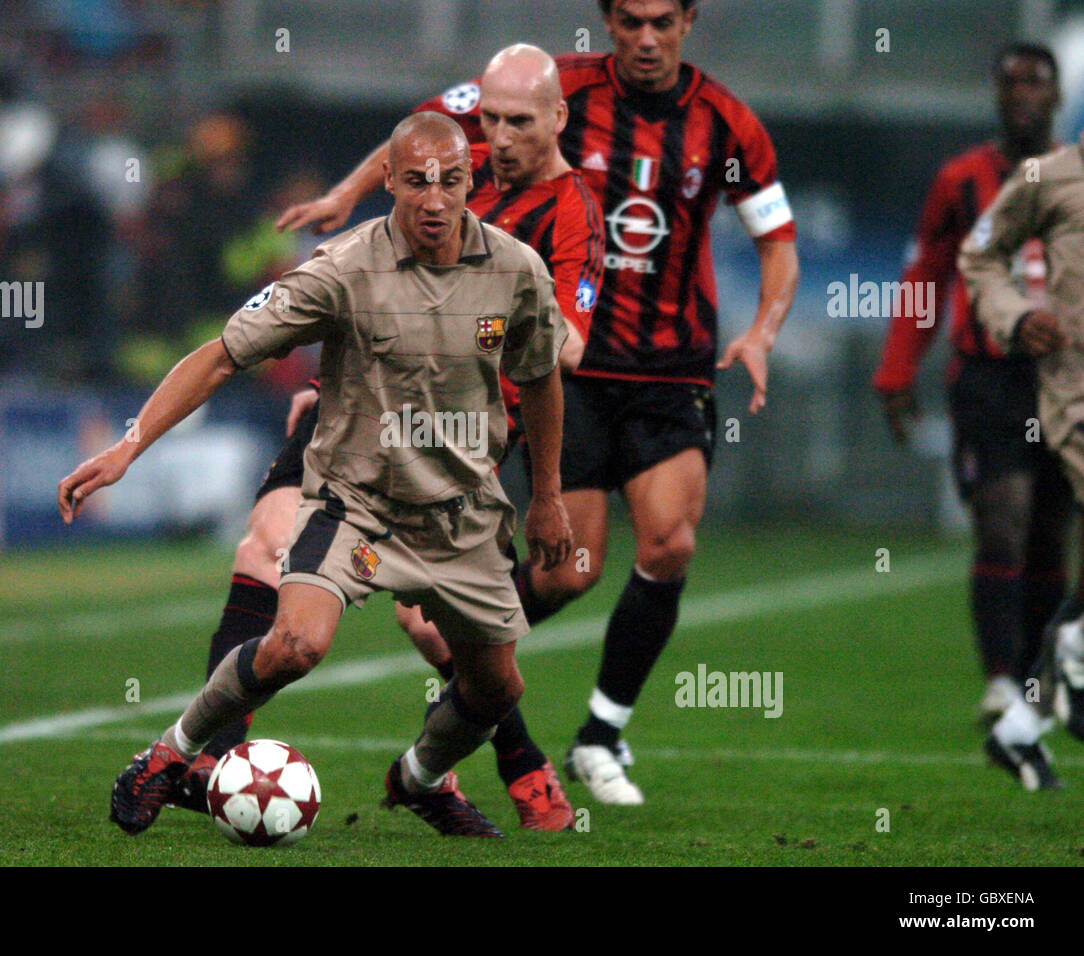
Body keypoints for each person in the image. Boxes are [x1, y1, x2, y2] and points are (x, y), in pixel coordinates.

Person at [278, 0, 800, 805]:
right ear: (609, 21)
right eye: (630, 20)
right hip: (568, 374)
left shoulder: (727, 124)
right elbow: (423, 130)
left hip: (670, 369)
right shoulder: (550, 88)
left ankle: (599, 734)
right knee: (568, 573)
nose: (646, 37)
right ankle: (469, 668)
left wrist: (763, 331)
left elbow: (778, 242)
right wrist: (349, 196)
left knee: (669, 544)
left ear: (690, 21)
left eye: (663, 21)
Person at [58, 111, 574, 837]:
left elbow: (543, 378)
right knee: (296, 644)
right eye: (417, 181)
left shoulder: (515, 270)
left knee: (494, 688)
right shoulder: (340, 268)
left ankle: (420, 777)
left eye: (451, 182)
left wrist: (548, 496)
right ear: (388, 179)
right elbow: (220, 355)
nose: (434, 199)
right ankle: (170, 755)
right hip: (355, 500)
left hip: (461, 510)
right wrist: (126, 447)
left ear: (470, 183)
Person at [171, 44, 604, 832]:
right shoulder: (438, 167)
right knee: (262, 551)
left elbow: (563, 350)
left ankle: (483, 764)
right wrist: (344, 197)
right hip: (355, 424)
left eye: (516, 124)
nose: (496, 137)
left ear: (557, 120)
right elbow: (410, 144)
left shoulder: (565, 223)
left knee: (443, 635)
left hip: (458, 446)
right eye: (489, 122)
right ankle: (204, 760)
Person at [874, 44, 1072, 723]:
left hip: (1065, 379)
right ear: (995, 94)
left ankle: (1034, 680)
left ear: (1058, 95)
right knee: (1002, 519)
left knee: (1048, 533)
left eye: (1035, 82)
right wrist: (897, 369)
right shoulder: (959, 179)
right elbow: (927, 275)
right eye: (1010, 81)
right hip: (989, 378)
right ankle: (998, 681)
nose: (1022, 94)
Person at [959, 121, 1084, 792]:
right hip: (1075, 397)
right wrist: (1011, 315)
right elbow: (979, 253)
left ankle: (1023, 726)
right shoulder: (1049, 176)